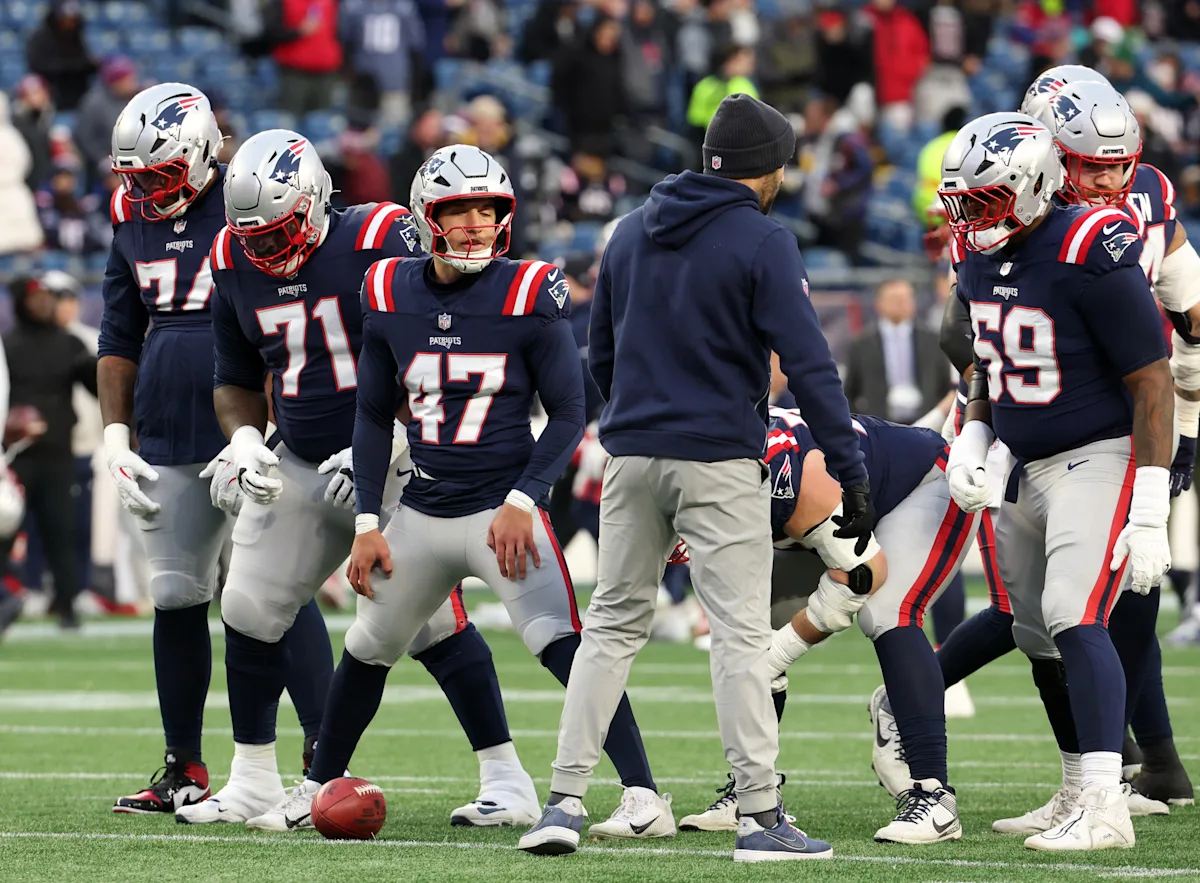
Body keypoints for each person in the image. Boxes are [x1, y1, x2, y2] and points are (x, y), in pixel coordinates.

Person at [522, 94, 874, 863]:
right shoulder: (765, 239)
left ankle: (563, 802)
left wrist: (639, 418)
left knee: (610, 628)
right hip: (718, 457)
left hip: (630, 454)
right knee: (740, 635)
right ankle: (759, 814)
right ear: (768, 168)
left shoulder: (628, 231)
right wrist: (848, 469)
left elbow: (601, 353)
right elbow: (810, 364)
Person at [286, 144, 669, 843]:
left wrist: (525, 499)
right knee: (368, 643)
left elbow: (570, 413)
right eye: (458, 210)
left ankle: (644, 793)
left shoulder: (528, 291)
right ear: (424, 217)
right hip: (423, 507)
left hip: (501, 508)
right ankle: (317, 784)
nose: (474, 225)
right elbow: (371, 414)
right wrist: (368, 521)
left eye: (488, 210)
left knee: (563, 643)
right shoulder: (388, 289)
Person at [183, 132, 540, 831]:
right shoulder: (230, 256)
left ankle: (507, 779)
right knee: (249, 606)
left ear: (317, 200)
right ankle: (252, 778)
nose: (266, 249)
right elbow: (233, 375)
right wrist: (245, 440)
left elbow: (449, 337)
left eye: (280, 231)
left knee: (430, 623)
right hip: (300, 456)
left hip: (397, 457)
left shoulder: (380, 237)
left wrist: (398, 436)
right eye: (254, 237)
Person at [941, 112, 1173, 851]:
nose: (969, 218)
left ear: (1033, 186)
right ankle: (1075, 786)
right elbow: (989, 366)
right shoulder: (979, 256)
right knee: (1033, 628)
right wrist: (974, 435)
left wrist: (1150, 506)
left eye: (983, 200)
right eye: (962, 202)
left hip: (1097, 455)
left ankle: (1107, 802)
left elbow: (1152, 379)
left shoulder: (1090, 244)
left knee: (1075, 612)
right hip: (1023, 461)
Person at [100, 84, 335, 815]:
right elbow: (118, 330)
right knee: (176, 592)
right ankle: (184, 765)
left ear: (204, 152)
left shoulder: (253, 197)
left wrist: (274, 418)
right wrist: (115, 433)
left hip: (253, 405)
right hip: (167, 417)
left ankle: (327, 755)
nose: (149, 192)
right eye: (138, 178)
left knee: (274, 588)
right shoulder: (129, 213)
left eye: (163, 174)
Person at [681, 406, 976, 845]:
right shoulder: (685, 466)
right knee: (754, 629)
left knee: (887, 613)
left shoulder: (787, 477)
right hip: (825, 515)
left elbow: (861, 575)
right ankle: (754, 791)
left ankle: (934, 796)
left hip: (919, 487)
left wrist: (778, 654)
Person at [1, 275, 97, 629]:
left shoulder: (69, 343)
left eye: (47, 298)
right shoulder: (7, 346)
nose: (44, 304)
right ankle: (7, 597)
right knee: (4, 531)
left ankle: (67, 604)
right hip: (15, 458)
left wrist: (99, 366)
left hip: (58, 455)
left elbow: (95, 386)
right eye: (36, 298)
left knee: (62, 530)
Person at [842, 278, 951, 424]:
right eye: (894, 299)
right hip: (879, 422)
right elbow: (850, 391)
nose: (900, 303)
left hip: (926, 421)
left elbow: (945, 385)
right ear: (878, 303)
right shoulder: (862, 344)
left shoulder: (933, 340)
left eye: (906, 298)